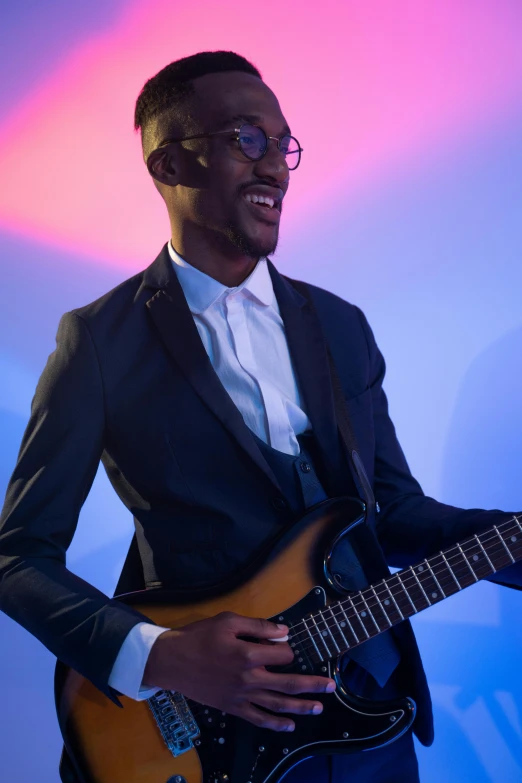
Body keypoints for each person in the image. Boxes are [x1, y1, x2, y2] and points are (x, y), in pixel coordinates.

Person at [0, 50, 520, 783]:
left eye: (283, 145)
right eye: (248, 139)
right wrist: (160, 654)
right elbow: (18, 556)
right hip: (219, 741)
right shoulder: (97, 341)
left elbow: (393, 513)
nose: (275, 166)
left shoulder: (341, 325)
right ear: (169, 164)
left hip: (374, 716)